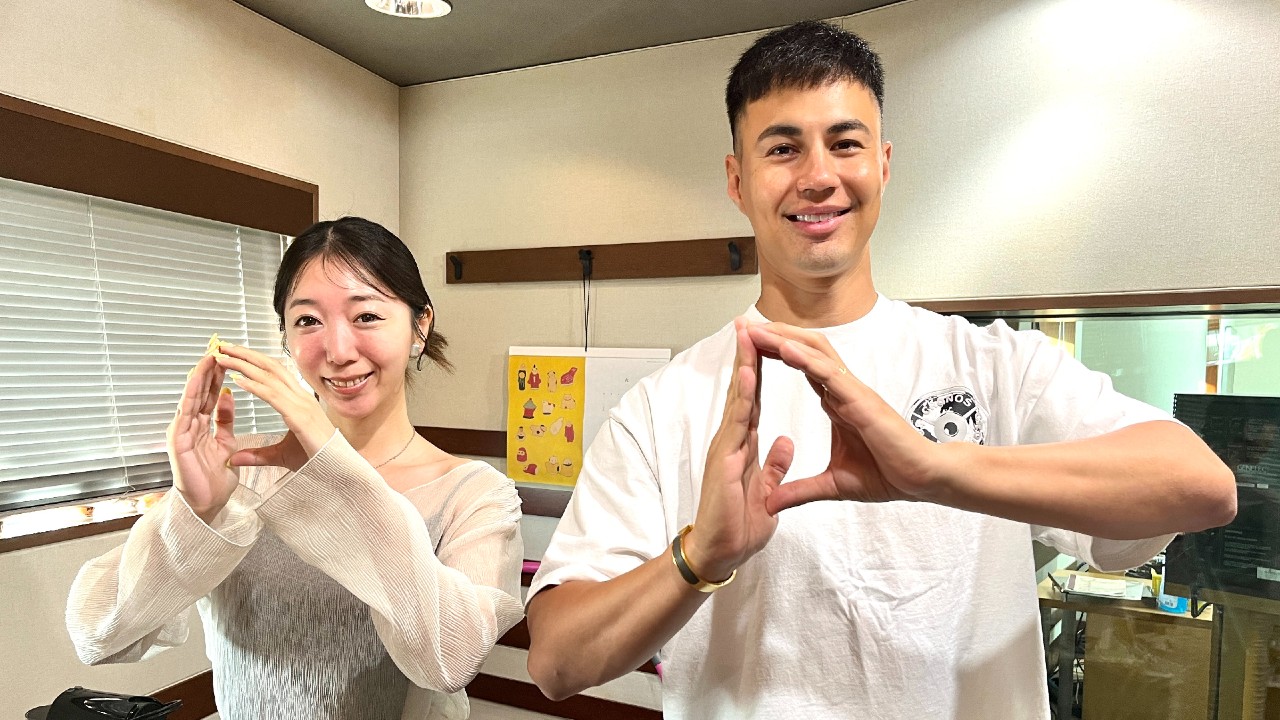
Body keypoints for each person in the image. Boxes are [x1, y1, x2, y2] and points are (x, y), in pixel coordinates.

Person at [524, 20, 1237, 720]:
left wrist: (936, 471)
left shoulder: (995, 364)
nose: (818, 177)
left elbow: (1201, 487)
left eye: (845, 143)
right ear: (737, 181)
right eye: (783, 148)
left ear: (883, 165)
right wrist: (699, 556)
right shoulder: (664, 404)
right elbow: (557, 662)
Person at [67, 217, 524, 719]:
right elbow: (97, 636)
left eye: (367, 315)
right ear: (285, 335)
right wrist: (196, 514)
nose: (338, 351)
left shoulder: (474, 495)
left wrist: (336, 468)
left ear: (420, 325)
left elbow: (451, 660)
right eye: (308, 321)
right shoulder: (241, 470)